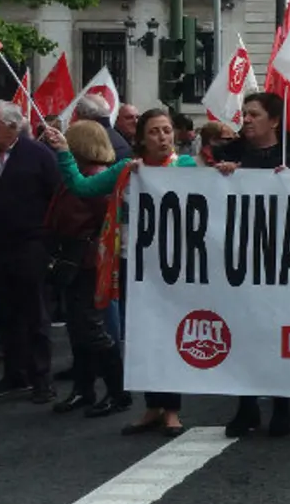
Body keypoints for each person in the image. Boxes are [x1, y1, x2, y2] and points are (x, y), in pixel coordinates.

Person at [48, 108, 198, 438]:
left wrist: (227, 171)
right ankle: (153, 406)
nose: (163, 137)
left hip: (173, 266)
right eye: (155, 131)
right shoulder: (126, 170)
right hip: (134, 264)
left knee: (168, 336)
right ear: (141, 138)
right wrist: (63, 153)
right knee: (143, 336)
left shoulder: (186, 166)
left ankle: (172, 410)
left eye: (167, 130)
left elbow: (217, 193)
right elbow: (82, 187)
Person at [213, 92, 290, 438]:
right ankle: (246, 405)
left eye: (254, 114)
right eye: (245, 113)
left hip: (282, 258)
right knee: (243, 329)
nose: (246, 119)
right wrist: (225, 175)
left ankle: (283, 404)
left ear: (274, 120)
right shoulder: (229, 153)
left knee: (278, 330)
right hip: (242, 258)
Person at [0, 101, 61, 403]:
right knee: (4, 315)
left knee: (35, 314)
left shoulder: (39, 155)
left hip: (31, 246)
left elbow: (57, 198)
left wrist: (51, 243)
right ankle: (14, 373)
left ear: (13, 126)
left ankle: (41, 378)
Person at [44, 120, 131, 417]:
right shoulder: (80, 174)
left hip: (88, 259)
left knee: (91, 327)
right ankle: (84, 388)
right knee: (78, 326)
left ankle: (117, 392)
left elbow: (103, 218)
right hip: (75, 257)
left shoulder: (95, 178)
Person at [70, 94, 131, 161]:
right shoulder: (120, 142)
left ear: (82, 115)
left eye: (76, 114)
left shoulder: (82, 145)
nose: (74, 117)